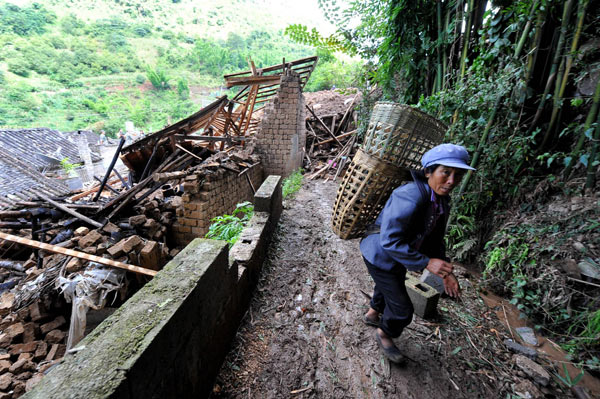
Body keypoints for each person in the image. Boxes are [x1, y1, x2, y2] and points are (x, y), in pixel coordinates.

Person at [359, 143, 475, 364]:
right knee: (402, 309)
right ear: (429, 171)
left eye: (457, 175)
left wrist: (446, 270)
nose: (452, 181)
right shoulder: (410, 195)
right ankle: (385, 333)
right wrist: (425, 262)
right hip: (380, 254)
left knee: (390, 283)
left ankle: (373, 314)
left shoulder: (441, 200)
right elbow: (390, 240)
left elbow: (435, 239)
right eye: (446, 172)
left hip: (398, 255)